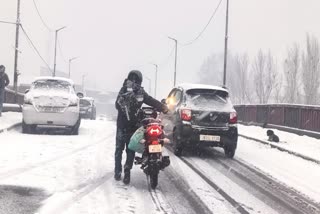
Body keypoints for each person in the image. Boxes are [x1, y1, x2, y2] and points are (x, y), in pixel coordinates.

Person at [114, 70, 168, 184]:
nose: (134, 82)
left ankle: (122, 171)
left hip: (129, 125)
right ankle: (121, 171)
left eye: (135, 80)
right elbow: (117, 104)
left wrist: (162, 107)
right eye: (132, 79)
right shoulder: (125, 90)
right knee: (124, 149)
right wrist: (123, 105)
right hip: (125, 124)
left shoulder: (136, 91)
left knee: (125, 149)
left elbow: (150, 100)